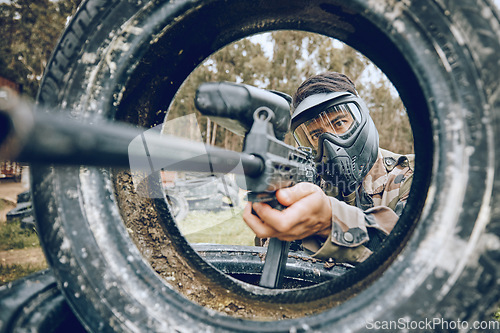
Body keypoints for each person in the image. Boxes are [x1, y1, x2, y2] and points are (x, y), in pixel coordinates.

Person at [242, 72, 414, 264]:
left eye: (339, 123)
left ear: (362, 118)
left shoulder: (408, 176)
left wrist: (329, 221)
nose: (329, 142)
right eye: (316, 135)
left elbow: (413, 252)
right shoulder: (308, 183)